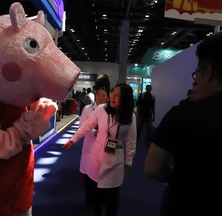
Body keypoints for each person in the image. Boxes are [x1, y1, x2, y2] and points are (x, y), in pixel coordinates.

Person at [144, 31, 222, 216]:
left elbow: (152, 168)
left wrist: (179, 177)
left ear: (207, 73)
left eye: (197, 74)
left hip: (185, 204)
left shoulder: (182, 114)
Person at [63, 83, 137, 216]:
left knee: (112, 196)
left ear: (126, 98)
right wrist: (73, 139)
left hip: (115, 160)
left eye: (117, 95)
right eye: (113, 93)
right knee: (97, 195)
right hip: (97, 156)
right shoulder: (102, 109)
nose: (113, 97)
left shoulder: (130, 117)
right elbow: (87, 125)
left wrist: (129, 159)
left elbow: (131, 140)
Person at [78, 86, 109, 209]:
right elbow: (81, 125)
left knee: (101, 174)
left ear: (107, 97)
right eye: (99, 94)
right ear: (96, 96)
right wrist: (94, 132)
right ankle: (89, 199)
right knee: (87, 174)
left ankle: (99, 199)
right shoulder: (87, 109)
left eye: (104, 95)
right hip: (90, 144)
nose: (101, 97)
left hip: (103, 146)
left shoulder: (110, 110)